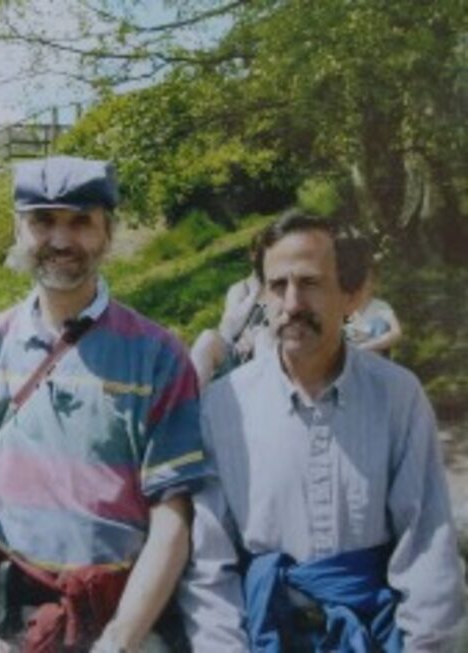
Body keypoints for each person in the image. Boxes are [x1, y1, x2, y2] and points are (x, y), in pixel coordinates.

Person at [0, 156, 209, 653]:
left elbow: (173, 516)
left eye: (81, 221)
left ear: (107, 233)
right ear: (18, 230)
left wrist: (119, 641)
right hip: (1, 603)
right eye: (43, 221)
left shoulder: (157, 356)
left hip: (123, 611)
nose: (61, 241)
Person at [179, 209, 465, 649]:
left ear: (349, 295)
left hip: (375, 633)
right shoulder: (222, 407)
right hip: (264, 632)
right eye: (278, 286)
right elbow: (208, 563)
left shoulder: (397, 396)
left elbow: (427, 545)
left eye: (310, 283)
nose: (292, 304)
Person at [190, 269, 274, 389]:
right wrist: (254, 295)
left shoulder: (286, 287)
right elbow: (227, 332)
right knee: (208, 337)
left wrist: (258, 334)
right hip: (235, 359)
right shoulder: (241, 288)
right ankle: (189, 400)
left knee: (264, 337)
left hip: (268, 358)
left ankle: (267, 399)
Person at [344, 267, 401, 356]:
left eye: (370, 280)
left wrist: (366, 346)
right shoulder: (346, 307)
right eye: (362, 280)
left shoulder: (381, 306)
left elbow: (396, 333)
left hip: (375, 360)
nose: (366, 284)